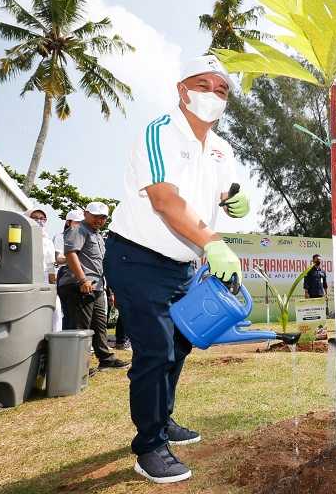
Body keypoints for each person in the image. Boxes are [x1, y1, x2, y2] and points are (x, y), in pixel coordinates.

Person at [104, 55, 248, 484]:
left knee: (179, 348)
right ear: (182, 90)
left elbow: (224, 193)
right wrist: (213, 242)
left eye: (221, 89)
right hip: (138, 257)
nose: (212, 95)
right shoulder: (161, 132)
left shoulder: (223, 149)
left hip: (183, 267)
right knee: (155, 351)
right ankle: (148, 447)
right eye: (202, 85)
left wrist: (234, 203)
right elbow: (165, 200)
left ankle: (163, 420)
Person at [58, 202, 128, 370]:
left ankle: (105, 358)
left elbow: (101, 263)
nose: (99, 220)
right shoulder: (78, 230)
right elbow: (70, 254)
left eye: (103, 217)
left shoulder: (96, 234)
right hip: (78, 286)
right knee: (78, 327)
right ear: (85, 213)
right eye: (96, 216)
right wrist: (82, 280)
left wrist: (109, 289)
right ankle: (75, 367)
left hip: (96, 286)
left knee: (99, 324)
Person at [27, 206, 62, 332]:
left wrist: (53, 282)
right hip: (28, 281)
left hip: (46, 281)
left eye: (42, 219)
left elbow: (50, 264)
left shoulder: (47, 241)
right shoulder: (23, 237)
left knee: (56, 310)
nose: (39, 221)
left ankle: (55, 340)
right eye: (35, 218)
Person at [55, 209, 84, 331]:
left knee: (81, 312)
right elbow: (58, 259)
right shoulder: (60, 237)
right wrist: (72, 257)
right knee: (69, 312)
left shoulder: (84, 236)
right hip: (66, 275)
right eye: (77, 222)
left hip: (82, 274)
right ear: (68, 222)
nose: (79, 225)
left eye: (81, 222)